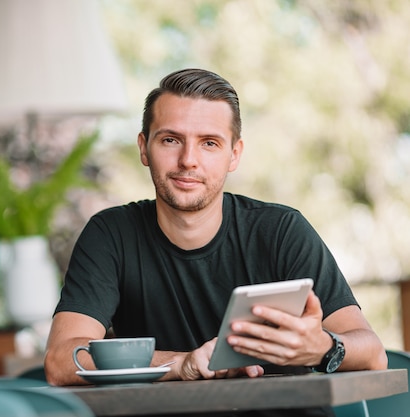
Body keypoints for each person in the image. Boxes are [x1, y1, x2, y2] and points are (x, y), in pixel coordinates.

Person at [44, 68, 387, 416]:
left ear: (234, 155)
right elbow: (61, 359)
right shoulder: (111, 234)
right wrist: (181, 365)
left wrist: (322, 348)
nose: (188, 160)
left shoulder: (281, 230)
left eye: (209, 143)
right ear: (144, 148)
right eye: (170, 140)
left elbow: (373, 353)